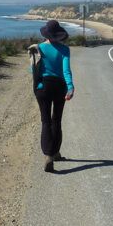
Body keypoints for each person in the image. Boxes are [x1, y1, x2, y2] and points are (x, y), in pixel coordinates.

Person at [28, 20, 75, 173]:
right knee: (57, 120)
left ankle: (49, 155)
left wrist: (38, 85)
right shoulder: (64, 50)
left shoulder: (38, 48)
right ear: (59, 34)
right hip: (60, 87)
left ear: (46, 34)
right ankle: (54, 152)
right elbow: (66, 71)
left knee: (45, 121)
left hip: (43, 87)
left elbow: (32, 71)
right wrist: (70, 87)